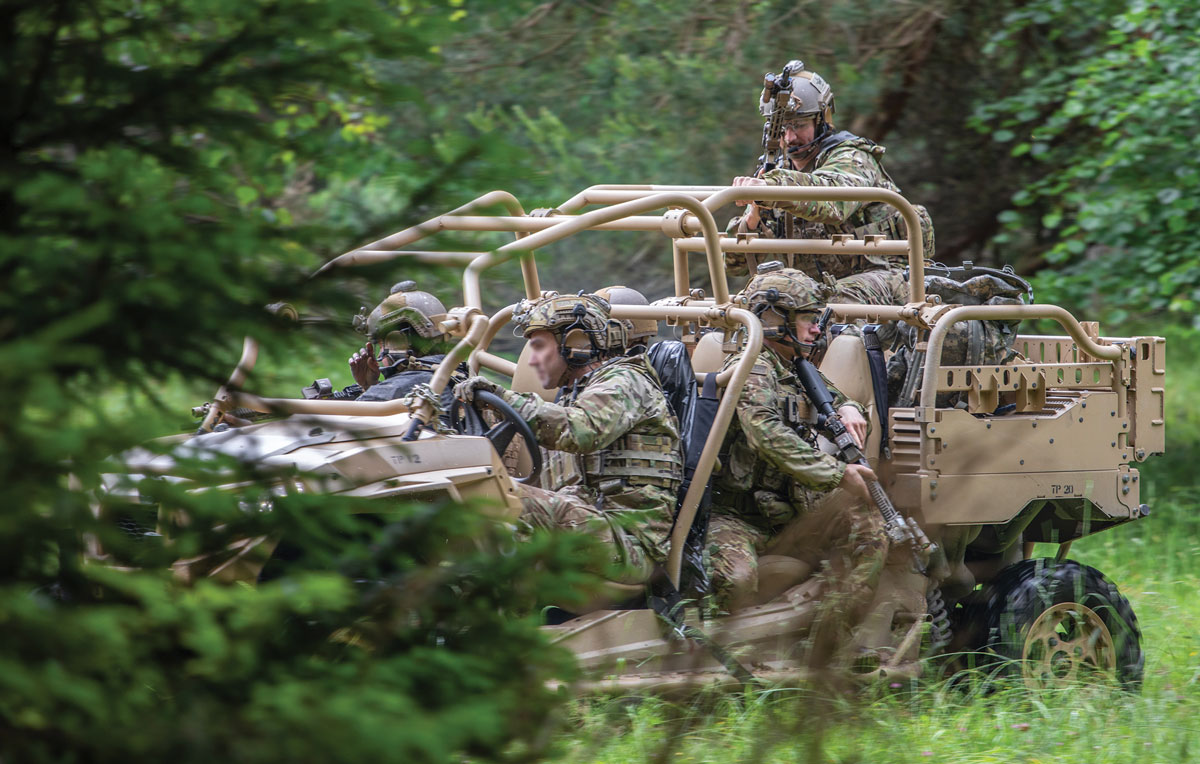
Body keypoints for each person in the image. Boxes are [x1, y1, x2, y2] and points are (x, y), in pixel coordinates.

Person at [707, 263, 887, 645]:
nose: (817, 328)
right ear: (773, 321)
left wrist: (849, 406)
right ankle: (724, 651)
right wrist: (837, 475)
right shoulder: (754, 367)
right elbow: (765, 434)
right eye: (807, 318)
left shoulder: (791, 364)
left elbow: (829, 394)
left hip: (785, 514)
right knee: (733, 581)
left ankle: (826, 641)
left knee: (870, 529)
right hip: (736, 515)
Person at [453, 293, 683, 585]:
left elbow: (580, 429)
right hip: (597, 526)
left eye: (538, 347)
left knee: (501, 499)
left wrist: (503, 397)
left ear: (576, 346)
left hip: (630, 543)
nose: (531, 361)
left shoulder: (625, 381)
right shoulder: (574, 395)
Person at [728, 61, 934, 312]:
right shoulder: (777, 173)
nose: (790, 138)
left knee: (834, 307)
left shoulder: (852, 157)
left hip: (887, 277)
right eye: (782, 128)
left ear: (822, 121)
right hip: (816, 290)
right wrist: (752, 219)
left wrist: (771, 187)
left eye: (799, 125)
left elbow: (833, 201)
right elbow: (734, 265)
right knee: (756, 305)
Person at [346, 281, 466, 408]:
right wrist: (370, 384)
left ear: (399, 342)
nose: (380, 354)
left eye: (382, 345)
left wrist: (371, 389)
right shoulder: (462, 375)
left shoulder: (397, 388)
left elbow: (351, 421)